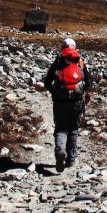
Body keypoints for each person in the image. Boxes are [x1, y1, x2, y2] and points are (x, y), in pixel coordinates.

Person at [42, 37, 92, 171]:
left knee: (61, 128)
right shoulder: (79, 62)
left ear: (62, 47)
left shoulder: (58, 62)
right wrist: (85, 94)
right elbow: (88, 82)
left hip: (59, 102)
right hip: (76, 101)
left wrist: (55, 92)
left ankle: (60, 150)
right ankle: (71, 158)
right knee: (73, 129)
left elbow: (47, 82)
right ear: (74, 47)